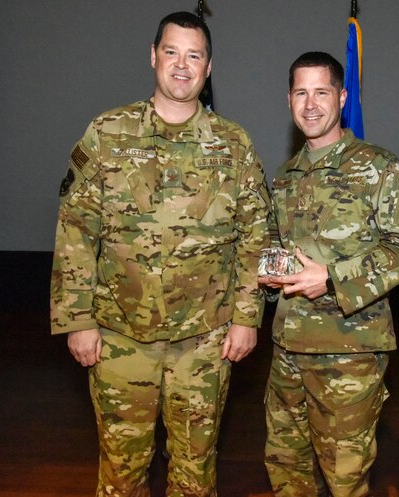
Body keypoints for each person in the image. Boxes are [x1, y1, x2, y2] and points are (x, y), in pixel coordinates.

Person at [50, 11, 270, 496]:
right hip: (119, 336)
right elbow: (76, 230)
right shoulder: (107, 133)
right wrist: (77, 320)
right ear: (153, 57)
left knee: (195, 471)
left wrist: (246, 318)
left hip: (205, 340)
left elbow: (257, 233)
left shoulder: (234, 144)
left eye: (195, 56)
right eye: (172, 52)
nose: (182, 65)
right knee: (122, 468)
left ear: (208, 68)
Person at [259, 51, 399, 497]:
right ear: (288, 100)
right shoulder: (285, 177)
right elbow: (279, 249)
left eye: (321, 91)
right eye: (300, 92)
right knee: (285, 467)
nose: (310, 104)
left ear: (342, 96)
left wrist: (332, 278)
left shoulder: (379, 168)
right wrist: (268, 276)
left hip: (349, 355)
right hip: (287, 350)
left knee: (345, 478)